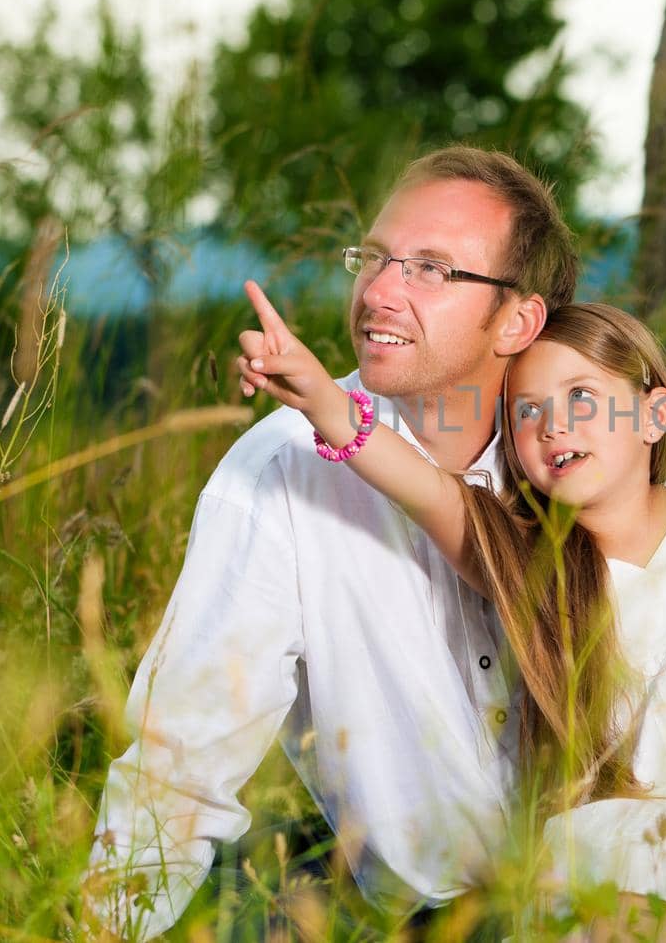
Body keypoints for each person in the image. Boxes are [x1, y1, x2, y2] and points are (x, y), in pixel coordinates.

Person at [84, 146, 579, 939]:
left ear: (518, 319)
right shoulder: (282, 469)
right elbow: (181, 760)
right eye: (375, 257)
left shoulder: (577, 457)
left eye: (431, 270)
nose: (380, 291)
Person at [238, 294, 666, 929]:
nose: (553, 425)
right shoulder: (540, 570)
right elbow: (423, 487)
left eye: (581, 397)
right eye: (527, 413)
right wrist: (321, 400)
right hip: (645, 835)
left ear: (654, 415)